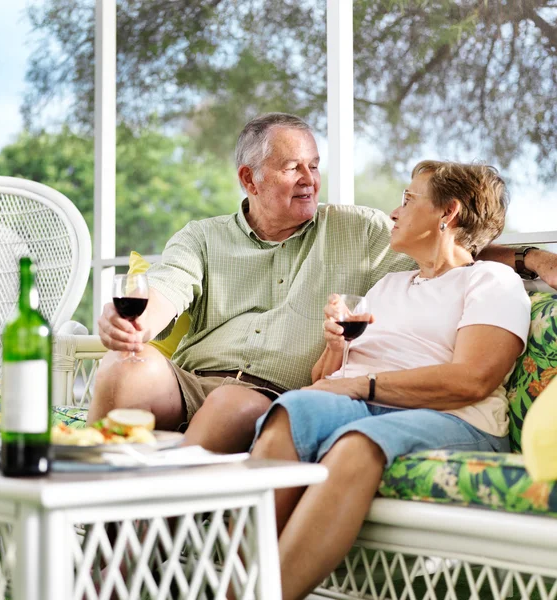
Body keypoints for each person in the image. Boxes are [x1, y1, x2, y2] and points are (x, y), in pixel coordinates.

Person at [89, 112, 555, 453]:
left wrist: (530, 257)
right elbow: (168, 288)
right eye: (293, 168)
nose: (310, 180)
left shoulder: (363, 230)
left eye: (314, 166)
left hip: (269, 394)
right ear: (249, 178)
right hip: (190, 381)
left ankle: (156, 539)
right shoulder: (203, 236)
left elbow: (447, 247)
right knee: (121, 368)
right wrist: (136, 326)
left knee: (231, 402)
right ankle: (97, 527)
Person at [249, 160, 531, 600]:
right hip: (371, 401)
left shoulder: (491, 280)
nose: (394, 213)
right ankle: (231, 584)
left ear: (448, 213)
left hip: (455, 417)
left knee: (358, 442)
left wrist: (363, 385)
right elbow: (330, 380)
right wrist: (336, 348)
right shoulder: (388, 285)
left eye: (407, 200)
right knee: (292, 409)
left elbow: (473, 379)